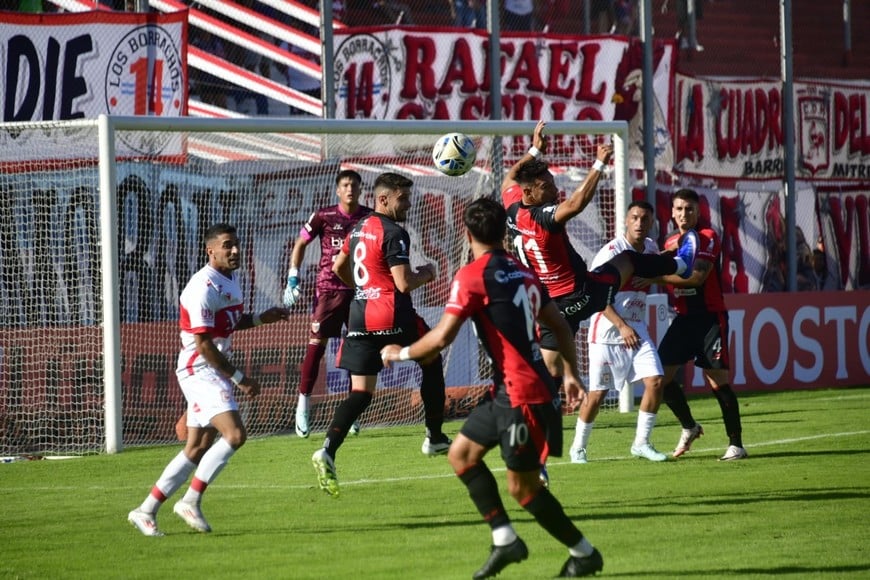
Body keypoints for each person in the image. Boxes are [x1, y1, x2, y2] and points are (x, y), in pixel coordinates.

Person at [381, 198, 603, 579]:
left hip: (524, 396)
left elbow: (439, 341)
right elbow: (561, 326)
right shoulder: (524, 271)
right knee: (461, 455)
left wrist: (399, 353)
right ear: (504, 232)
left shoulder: (472, 276)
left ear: (467, 235)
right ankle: (505, 540)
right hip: (509, 391)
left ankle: (584, 553)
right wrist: (571, 374)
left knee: (524, 489)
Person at [501, 120, 698, 397]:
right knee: (628, 259)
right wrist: (598, 164)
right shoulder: (544, 219)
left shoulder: (513, 210)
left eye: (553, 181)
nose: (554, 188)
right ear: (529, 192)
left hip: (547, 304)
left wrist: (534, 151)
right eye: (547, 185)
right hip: (580, 293)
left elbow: (510, 177)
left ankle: (537, 414)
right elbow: (576, 203)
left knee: (552, 368)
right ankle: (680, 264)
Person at [128, 223, 290, 536]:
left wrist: (260, 318)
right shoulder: (201, 287)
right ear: (210, 250)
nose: (235, 250)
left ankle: (145, 510)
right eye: (227, 245)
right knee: (235, 435)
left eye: (236, 244)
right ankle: (190, 499)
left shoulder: (229, 279)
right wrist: (240, 377)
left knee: (197, 447)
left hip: (210, 370)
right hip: (199, 368)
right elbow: (203, 345)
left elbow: (227, 323)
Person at [310, 172, 450, 497]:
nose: (409, 204)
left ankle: (327, 450)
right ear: (384, 199)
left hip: (359, 317)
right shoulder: (394, 231)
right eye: (403, 198)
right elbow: (403, 283)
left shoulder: (356, 229)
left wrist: (364, 289)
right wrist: (426, 274)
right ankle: (434, 436)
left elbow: (338, 267)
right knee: (432, 358)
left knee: (360, 394)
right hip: (393, 313)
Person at [636, 188, 747, 461]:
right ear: (672, 213)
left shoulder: (708, 238)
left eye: (689, 209)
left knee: (717, 382)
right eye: (679, 209)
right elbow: (658, 261)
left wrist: (655, 279)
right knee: (661, 378)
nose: (684, 214)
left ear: (698, 212)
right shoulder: (674, 240)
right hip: (684, 320)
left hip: (710, 319)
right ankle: (689, 426)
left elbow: (697, 278)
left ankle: (736, 445)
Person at [569, 201, 668, 464]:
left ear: (651, 223)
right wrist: (622, 326)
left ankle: (641, 443)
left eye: (645, 219)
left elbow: (657, 270)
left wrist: (653, 278)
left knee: (656, 381)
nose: (639, 223)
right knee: (598, 395)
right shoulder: (611, 252)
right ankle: (578, 447)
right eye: (634, 217)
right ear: (625, 220)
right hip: (607, 333)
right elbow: (596, 295)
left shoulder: (651, 249)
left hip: (637, 329)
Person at [283, 170, 372, 438]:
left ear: (360, 189)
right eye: (345, 185)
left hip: (358, 291)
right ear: (337, 190)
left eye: (354, 185)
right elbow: (300, 243)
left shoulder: (368, 217)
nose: (350, 190)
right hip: (328, 291)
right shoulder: (323, 216)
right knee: (316, 347)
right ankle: (303, 406)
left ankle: (352, 410)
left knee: (357, 350)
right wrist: (293, 277)